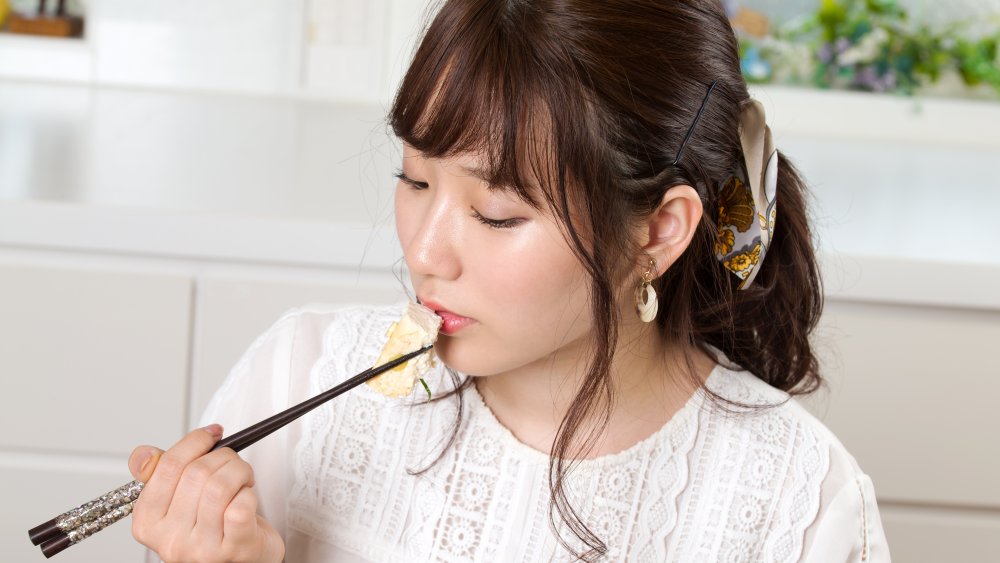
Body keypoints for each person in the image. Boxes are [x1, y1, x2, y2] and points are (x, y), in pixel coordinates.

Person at [127, 1, 890, 561]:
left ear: (657, 230)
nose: (425, 250)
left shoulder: (799, 501)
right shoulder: (299, 373)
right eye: (414, 180)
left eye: (494, 214)